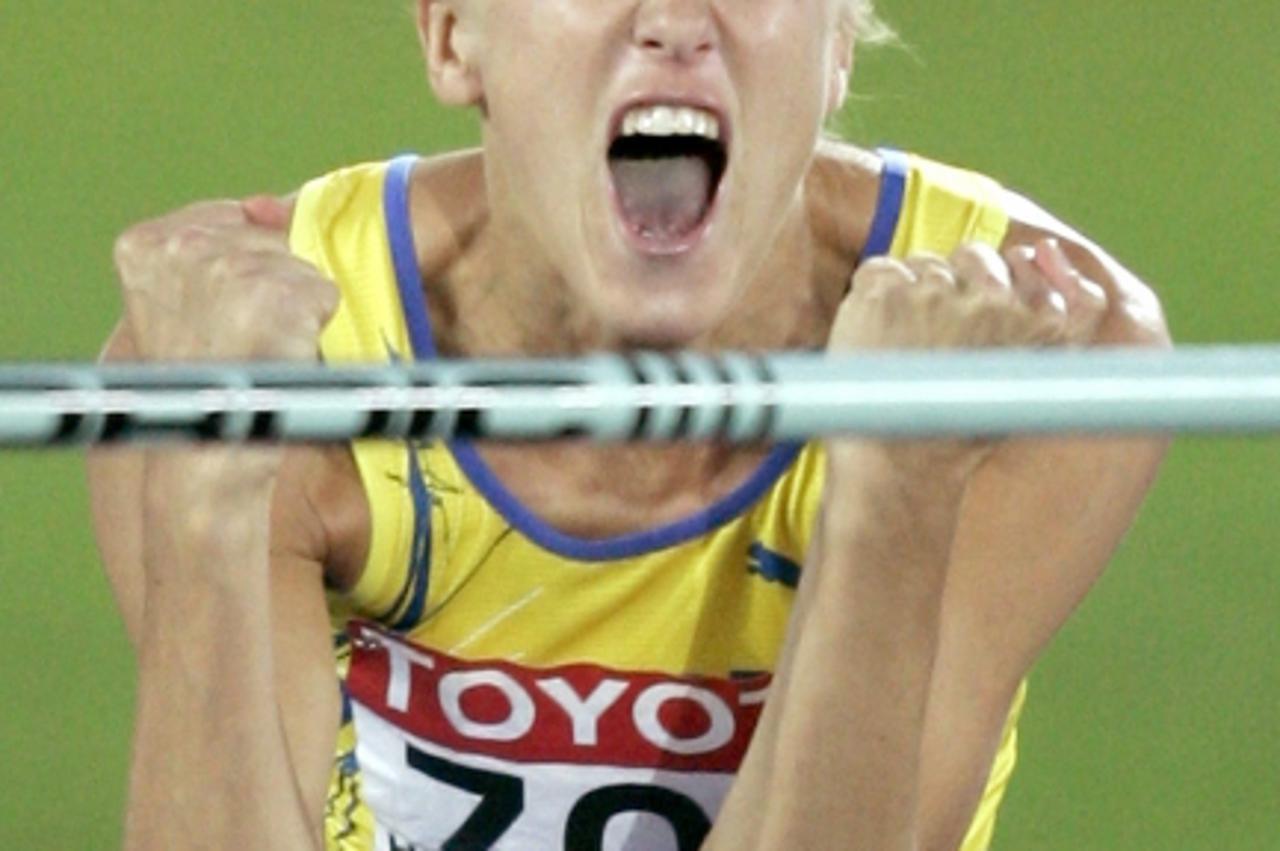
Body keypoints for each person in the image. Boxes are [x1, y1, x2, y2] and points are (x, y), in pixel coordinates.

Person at [87, 1, 1170, 849]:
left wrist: (895, 485)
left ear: (837, 45)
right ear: (453, 37)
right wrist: (201, 482)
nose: (673, 20)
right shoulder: (257, 355)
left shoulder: (1045, 353)